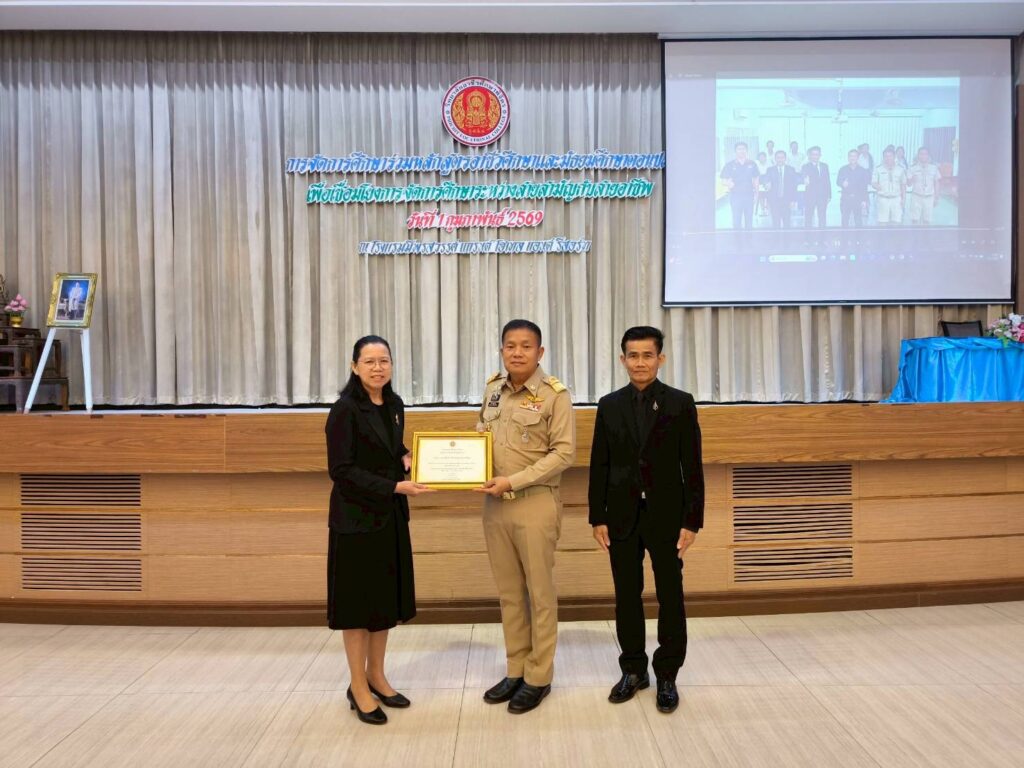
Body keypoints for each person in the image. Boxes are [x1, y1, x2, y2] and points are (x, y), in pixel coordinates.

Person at [589, 326, 704, 715]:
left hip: (667, 517)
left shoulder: (680, 403)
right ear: (622, 359)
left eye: (648, 355)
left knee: (671, 594)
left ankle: (667, 674)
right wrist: (597, 516)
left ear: (661, 359)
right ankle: (633, 670)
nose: (640, 362)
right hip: (620, 516)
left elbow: (692, 466)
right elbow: (599, 465)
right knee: (626, 594)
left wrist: (692, 521)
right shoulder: (609, 405)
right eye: (633, 356)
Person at [325, 335, 435, 725]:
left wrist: (406, 457)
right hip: (355, 523)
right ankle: (357, 686)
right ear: (354, 366)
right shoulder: (344, 410)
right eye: (369, 361)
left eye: (384, 360)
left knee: (383, 604)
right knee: (357, 608)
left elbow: (389, 449)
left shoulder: (394, 404)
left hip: (389, 519)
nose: (377, 367)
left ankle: (377, 675)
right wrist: (394, 486)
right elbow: (341, 470)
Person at [475, 319, 575, 715]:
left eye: (526, 346)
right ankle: (516, 668)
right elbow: (482, 436)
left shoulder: (555, 395)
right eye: (510, 346)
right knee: (509, 594)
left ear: (540, 352)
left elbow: (563, 453)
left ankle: (539, 676)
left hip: (535, 503)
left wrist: (513, 480)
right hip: (495, 506)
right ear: (502, 350)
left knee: (540, 594)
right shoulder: (492, 389)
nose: (517, 352)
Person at [719, 142, 760, 230]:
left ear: (747, 150)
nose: (741, 151)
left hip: (749, 195)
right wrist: (728, 183)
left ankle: (749, 237)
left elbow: (756, 180)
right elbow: (722, 180)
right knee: (736, 221)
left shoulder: (752, 164)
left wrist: (757, 194)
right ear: (735, 151)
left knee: (749, 220)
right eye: (739, 149)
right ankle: (737, 237)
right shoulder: (730, 165)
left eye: (743, 149)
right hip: (735, 196)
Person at [762, 150, 798, 228]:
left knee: (787, 223)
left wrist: (793, 200)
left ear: (785, 159)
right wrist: (766, 183)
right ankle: (776, 236)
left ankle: (787, 236)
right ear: (775, 159)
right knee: (775, 223)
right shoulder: (770, 170)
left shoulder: (791, 170)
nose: (780, 159)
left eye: (782, 157)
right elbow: (765, 179)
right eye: (778, 158)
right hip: (774, 201)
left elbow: (794, 186)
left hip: (787, 200)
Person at [872, 146, 907, 226]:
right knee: (882, 223)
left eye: (890, 156)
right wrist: (876, 186)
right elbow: (873, 182)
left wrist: (904, 198)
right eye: (886, 156)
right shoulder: (878, 169)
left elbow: (903, 185)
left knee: (896, 222)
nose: (888, 158)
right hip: (883, 199)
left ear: (894, 157)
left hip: (896, 199)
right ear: (883, 157)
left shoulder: (900, 169)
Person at [836, 149, 871, 227]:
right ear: (848, 157)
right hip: (845, 199)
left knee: (858, 221)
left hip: (858, 199)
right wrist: (842, 183)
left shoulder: (863, 171)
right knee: (844, 221)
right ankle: (844, 235)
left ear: (857, 157)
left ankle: (858, 235)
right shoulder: (843, 169)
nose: (852, 158)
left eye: (854, 156)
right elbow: (838, 181)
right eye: (851, 156)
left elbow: (864, 187)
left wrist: (864, 200)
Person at [907, 147, 941, 225]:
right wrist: (912, 179)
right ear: (918, 155)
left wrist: (936, 197)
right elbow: (908, 184)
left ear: (928, 156)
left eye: (925, 154)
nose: (923, 156)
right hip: (916, 197)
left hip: (929, 197)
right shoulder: (912, 168)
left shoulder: (934, 168)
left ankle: (925, 233)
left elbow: (937, 183)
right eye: (921, 154)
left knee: (927, 221)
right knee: (914, 220)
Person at [800, 146, 831, 228]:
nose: (815, 156)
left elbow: (827, 181)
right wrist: (804, 179)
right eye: (813, 154)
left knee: (822, 217)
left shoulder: (825, 166)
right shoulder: (805, 167)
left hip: (822, 196)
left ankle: (822, 235)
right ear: (810, 156)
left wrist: (829, 195)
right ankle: (808, 235)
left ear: (820, 155)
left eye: (817, 154)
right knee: (808, 217)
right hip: (810, 196)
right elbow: (803, 176)